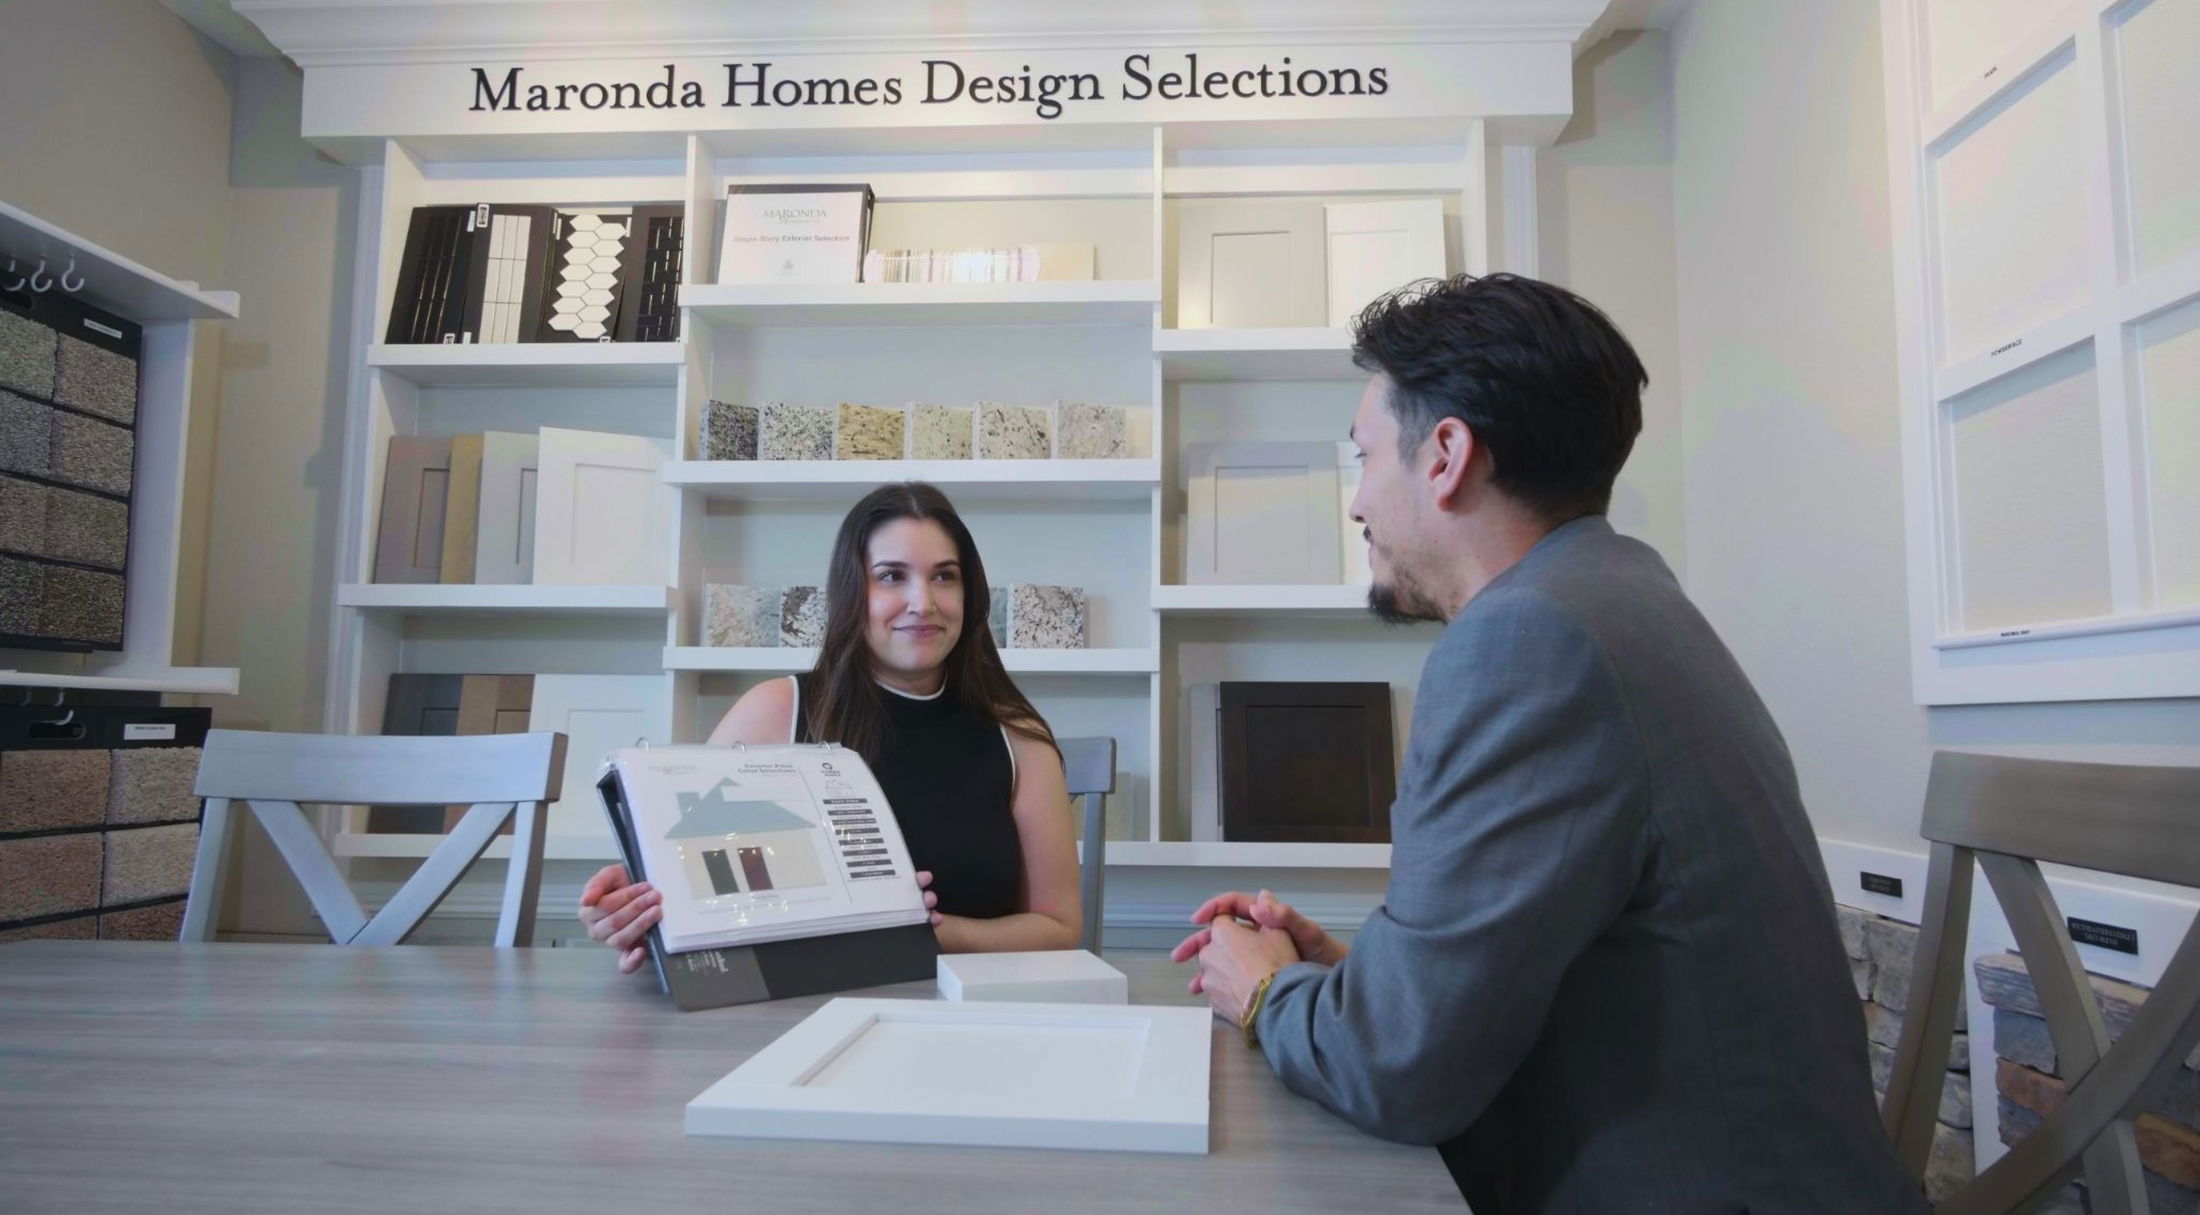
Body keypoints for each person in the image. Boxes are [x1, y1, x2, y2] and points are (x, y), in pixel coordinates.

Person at [1173, 274, 1929, 1213]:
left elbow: (1398, 1075)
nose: (1358, 502)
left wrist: (1264, 993)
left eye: (1363, 457)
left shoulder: (1527, 641)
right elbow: (1543, 967)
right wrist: (1349, 973)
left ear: (1446, 454)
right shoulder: (1620, 597)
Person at [579, 482, 1081, 971]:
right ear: (851, 590)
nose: (922, 602)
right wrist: (632, 907)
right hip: (792, 1017)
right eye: (891, 576)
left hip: (968, 1021)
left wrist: (932, 932)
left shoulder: (1017, 738)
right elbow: (690, 881)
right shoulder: (776, 711)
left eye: (944, 576)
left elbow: (1060, 929)